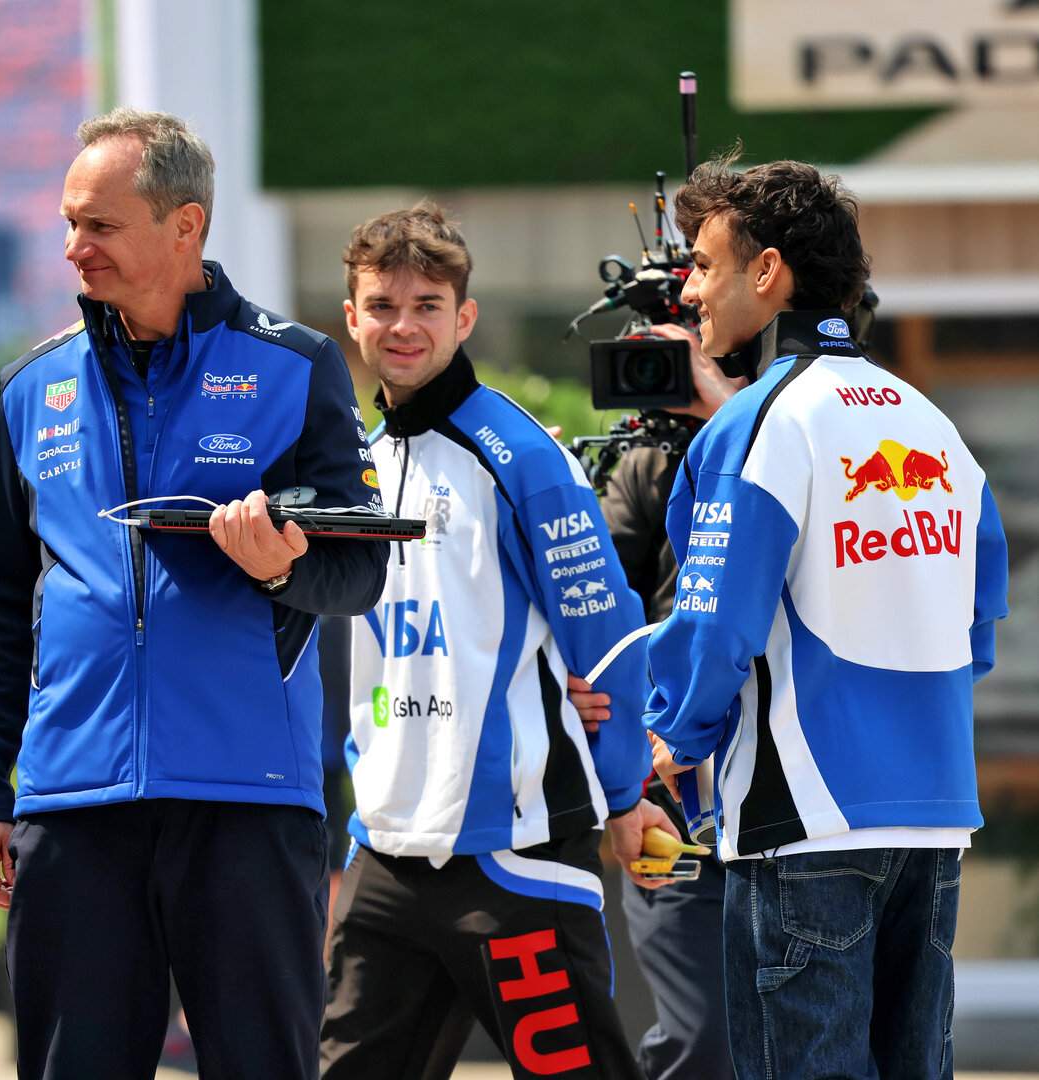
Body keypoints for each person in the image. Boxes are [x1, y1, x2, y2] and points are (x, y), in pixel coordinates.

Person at [0, 107, 387, 1080]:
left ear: (184, 225)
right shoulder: (30, 388)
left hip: (248, 800)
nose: (74, 247)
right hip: (73, 804)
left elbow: (360, 571)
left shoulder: (297, 368)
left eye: (99, 225)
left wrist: (278, 564)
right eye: (70, 222)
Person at [644, 151, 1008, 1080]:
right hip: (933, 820)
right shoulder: (932, 424)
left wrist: (672, 737)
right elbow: (978, 626)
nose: (689, 288)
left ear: (768, 272)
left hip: (803, 821)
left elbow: (713, 625)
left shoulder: (759, 423)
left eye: (704, 264)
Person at [319, 201, 676, 1080]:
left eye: (427, 306)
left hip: (517, 855)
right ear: (352, 318)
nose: (404, 326)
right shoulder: (359, 463)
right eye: (383, 305)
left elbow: (608, 639)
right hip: (386, 852)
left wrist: (624, 795)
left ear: (464, 317)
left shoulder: (522, 455)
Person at [572, 324, 744, 1080]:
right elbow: (600, 615)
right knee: (702, 1036)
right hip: (669, 797)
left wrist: (728, 416)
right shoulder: (645, 463)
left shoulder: (793, 438)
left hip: (795, 793)